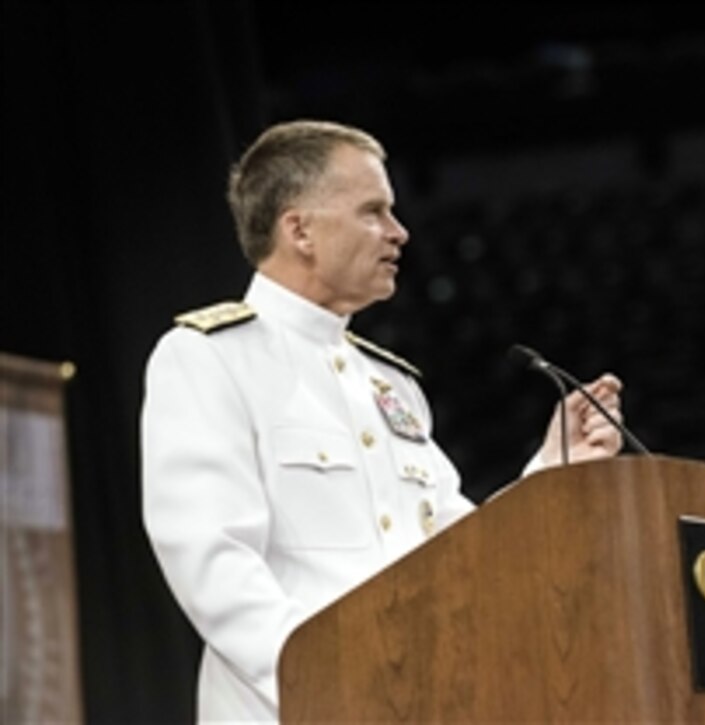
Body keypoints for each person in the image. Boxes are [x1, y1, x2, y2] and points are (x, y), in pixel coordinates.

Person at [139, 119, 625, 721]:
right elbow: (213, 563)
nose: (399, 232)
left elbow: (457, 553)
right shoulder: (209, 357)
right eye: (374, 212)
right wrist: (341, 679)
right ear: (300, 230)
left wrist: (551, 469)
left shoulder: (389, 384)